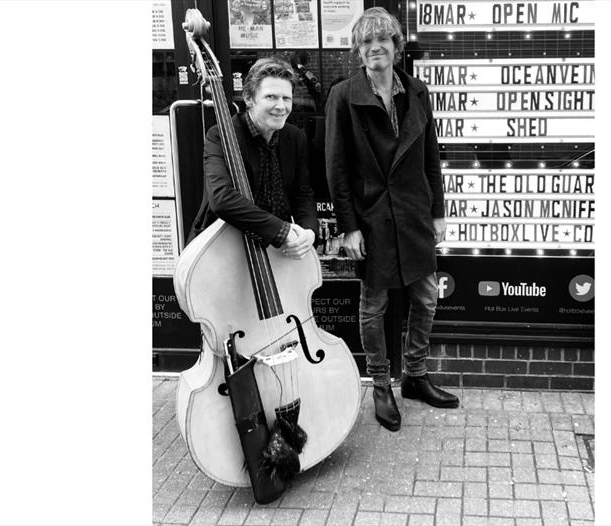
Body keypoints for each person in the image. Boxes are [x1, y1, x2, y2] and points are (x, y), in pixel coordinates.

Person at [324, 7, 458, 432]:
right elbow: (336, 167)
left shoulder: (416, 92)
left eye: (383, 40)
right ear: (358, 51)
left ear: (397, 47)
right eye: (366, 42)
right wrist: (349, 226)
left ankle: (415, 375)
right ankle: (381, 383)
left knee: (426, 298)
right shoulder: (343, 96)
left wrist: (438, 211)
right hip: (373, 216)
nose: (374, 47)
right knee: (374, 305)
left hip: (416, 212)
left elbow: (431, 159)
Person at [189, 57, 317, 261]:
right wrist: (281, 230)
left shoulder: (294, 137)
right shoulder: (220, 135)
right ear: (249, 98)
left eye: (286, 98)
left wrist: (309, 231)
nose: (281, 106)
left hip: (275, 250)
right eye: (271, 97)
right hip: (222, 248)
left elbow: (302, 194)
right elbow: (222, 198)